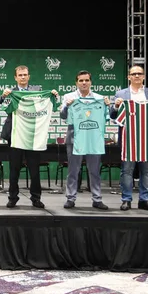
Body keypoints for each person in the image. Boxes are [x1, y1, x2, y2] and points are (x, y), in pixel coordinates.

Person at [110, 65, 148, 212]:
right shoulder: (121, 94)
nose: (137, 76)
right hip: (129, 139)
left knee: (147, 171)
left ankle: (145, 199)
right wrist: (117, 107)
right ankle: (126, 199)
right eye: (134, 74)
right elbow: (112, 115)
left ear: (143, 76)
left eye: (139, 74)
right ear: (129, 77)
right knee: (127, 170)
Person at [1, 65, 58, 209]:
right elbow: (3, 107)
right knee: (14, 169)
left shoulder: (38, 92)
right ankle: (12, 198)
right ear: (15, 77)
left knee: (34, 169)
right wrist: (3, 97)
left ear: (29, 76)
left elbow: (50, 104)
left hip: (32, 135)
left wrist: (54, 96)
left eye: (25, 74)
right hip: (14, 135)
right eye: (19, 75)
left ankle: (36, 198)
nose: (22, 77)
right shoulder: (11, 92)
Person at [60, 70, 110, 210]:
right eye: (81, 80)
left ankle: (97, 198)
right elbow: (63, 116)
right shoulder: (68, 97)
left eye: (86, 80)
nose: (84, 83)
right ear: (76, 82)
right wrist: (66, 106)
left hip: (93, 138)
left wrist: (108, 105)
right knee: (73, 170)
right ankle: (70, 198)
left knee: (94, 170)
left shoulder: (100, 98)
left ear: (90, 82)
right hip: (74, 137)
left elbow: (107, 116)